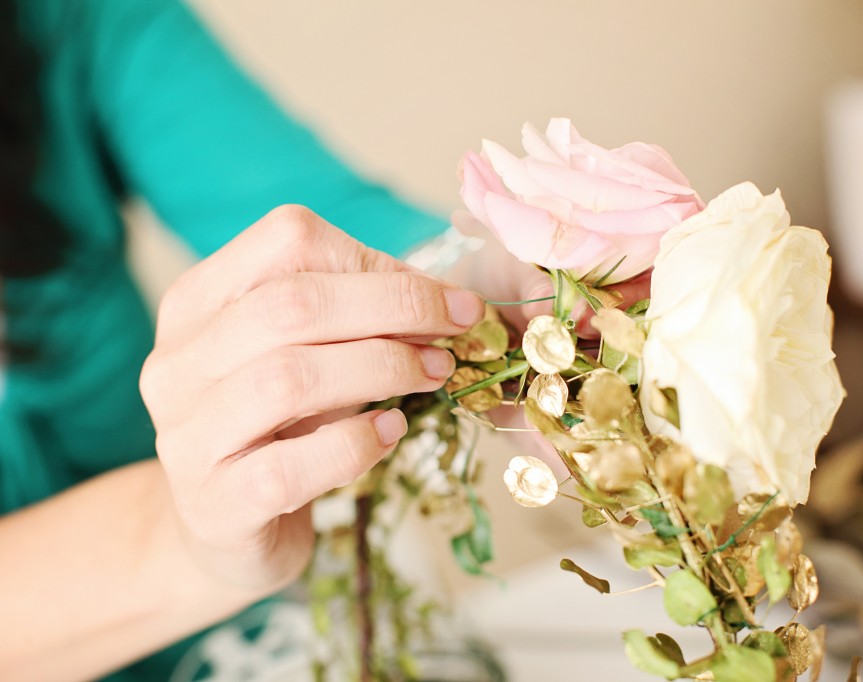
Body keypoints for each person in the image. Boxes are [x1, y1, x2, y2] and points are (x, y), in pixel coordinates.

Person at [0, 0, 536, 679]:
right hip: (235, 580)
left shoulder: (65, 19)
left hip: (265, 637)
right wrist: (189, 541)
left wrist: (496, 289)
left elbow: (321, 224)